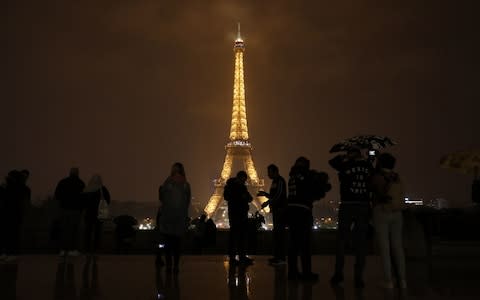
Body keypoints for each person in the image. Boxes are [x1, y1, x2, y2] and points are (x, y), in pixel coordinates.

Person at [329, 148, 373, 288]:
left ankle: (339, 273)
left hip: (347, 204)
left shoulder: (345, 165)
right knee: (360, 242)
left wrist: (345, 157)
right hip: (363, 204)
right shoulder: (367, 165)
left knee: (341, 240)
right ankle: (358, 277)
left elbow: (332, 162)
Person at [287, 157, 328, 281]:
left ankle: (292, 272)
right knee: (305, 244)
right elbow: (312, 191)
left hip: (292, 211)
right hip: (303, 212)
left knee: (293, 245)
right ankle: (306, 272)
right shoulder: (306, 176)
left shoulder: (292, 177)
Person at [370, 153, 407, 289]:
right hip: (398, 213)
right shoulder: (397, 178)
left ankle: (388, 280)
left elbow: (374, 190)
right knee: (398, 247)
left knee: (385, 248)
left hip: (381, 211)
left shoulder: (378, 177)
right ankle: (402, 280)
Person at [157, 162, 191, 273]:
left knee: (168, 244)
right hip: (178, 218)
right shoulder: (185, 184)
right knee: (176, 245)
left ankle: (169, 265)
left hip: (169, 218)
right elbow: (187, 202)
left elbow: (162, 198)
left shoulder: (168, 183)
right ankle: (175, 266)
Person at [258, 164, 287, 265]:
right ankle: (277, 257)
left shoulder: (280, 181)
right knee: (277, 234)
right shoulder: (275, 182)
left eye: (269, 172)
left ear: (274, 171)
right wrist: (265, 195)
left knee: (279, 234)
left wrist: (267, 202)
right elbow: (275, 196)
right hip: (276, 210)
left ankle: (281, 258)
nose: (268, 174)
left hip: (280, 210)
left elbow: (278, 195)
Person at [224, 171, 254, 266]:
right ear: (239, 178)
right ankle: (235, 257)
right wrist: (240, 197)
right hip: (236, 214)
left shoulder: (240, 186)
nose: (244, 182)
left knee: (240, 236)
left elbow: (249, 198)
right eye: (243, 180)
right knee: (236, 236)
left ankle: (241, 256)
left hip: (241, 214)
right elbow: (228, 197)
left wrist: (243, 197)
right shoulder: (232, 187)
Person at [54, 167, 85, 257]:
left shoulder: (63, 182)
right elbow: (84, 198)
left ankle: (63, 249)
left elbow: (57, 194)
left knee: (64, 230)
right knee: (74, 231)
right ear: (77, 173)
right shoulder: (81, 183)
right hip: (76, 210)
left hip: (64, 209)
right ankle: (73, 249)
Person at [83, 174, 111, 256]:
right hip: (99, 213)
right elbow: (107, 200)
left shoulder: (87, 189)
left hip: (89, 213)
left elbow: (82, 201)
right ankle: (96, 248)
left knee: (88, 231)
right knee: (97, 231)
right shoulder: (102, 189)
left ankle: (87, 248)